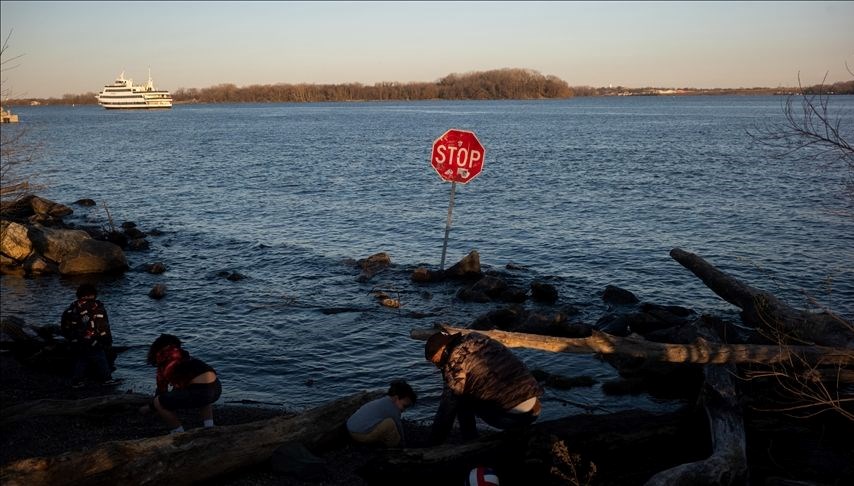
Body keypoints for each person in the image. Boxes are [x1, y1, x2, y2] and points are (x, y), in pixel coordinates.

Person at [425, 331, 542, 445]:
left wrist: (433, 443)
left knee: (459, 399)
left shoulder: (454, 362)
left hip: (513, 417)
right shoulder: (477, 337)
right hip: (535, 407)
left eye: (437, 362)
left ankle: (470, 442)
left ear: (443, 350)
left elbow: (446, 410)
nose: (438, 366)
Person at [140, 334, 221, 434]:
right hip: (217, 388)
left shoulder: (163, 359)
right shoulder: (184, 356)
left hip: (202, 393)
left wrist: (150, 407)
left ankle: (178, 432)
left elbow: (161, 391)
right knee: (203, 391)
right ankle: (209, 426)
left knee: (158, 402)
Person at [60, 283, 117, 387]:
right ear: (94, 294)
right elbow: (102, 325)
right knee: (100, 358)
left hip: (77, 340)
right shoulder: (97, 306)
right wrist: (107, 339)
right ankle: (107, 379)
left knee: (81, 359)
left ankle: (77, 381)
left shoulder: (73, 307)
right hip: (93, 339)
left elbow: (64, 325)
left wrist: (70, 337)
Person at [346, 379, 417, 447]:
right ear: (396, 398)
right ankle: (394, 449)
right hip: (360, 435)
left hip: (350, 428)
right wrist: (402, 442)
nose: (404, 410)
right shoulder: (393, 409)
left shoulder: (384, 400)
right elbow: (399, 427)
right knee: (390, 424)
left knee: (383, 421)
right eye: (404, 406)